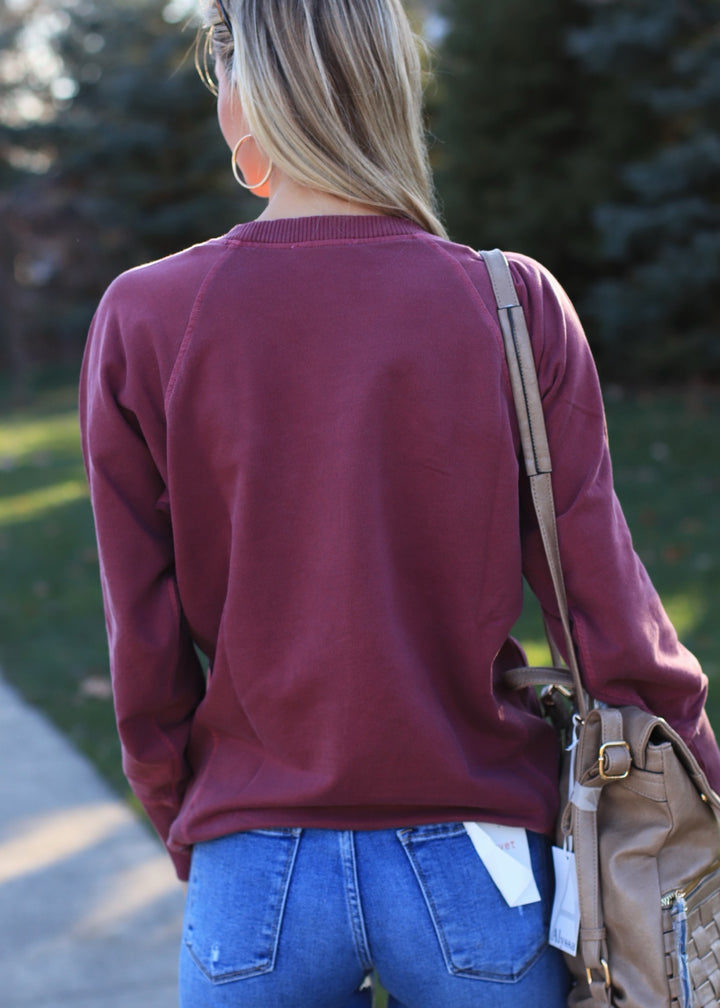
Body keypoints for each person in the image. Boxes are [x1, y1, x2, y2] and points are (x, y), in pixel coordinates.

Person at [78, 1, 720, 1006]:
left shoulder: (146, 315)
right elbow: (607, 613)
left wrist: (183, 813)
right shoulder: (510, 303)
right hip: (475, 862)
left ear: (247, 94)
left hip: (254, 862)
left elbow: (142, 640)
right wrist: (700, 788)